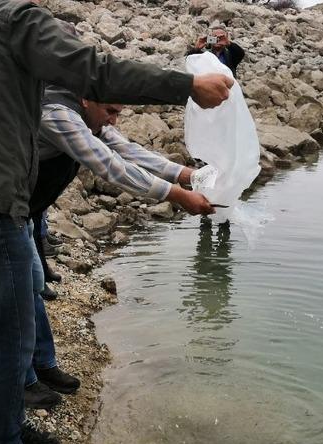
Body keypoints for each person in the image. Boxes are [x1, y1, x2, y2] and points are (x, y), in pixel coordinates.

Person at [0, 0, 233, 444]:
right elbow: (95, 71)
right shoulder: (15, 18)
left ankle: (2, 425)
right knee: (10, 337)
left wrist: (184, 175)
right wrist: (187, 86)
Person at [22, 84, 218, 412]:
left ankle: (43, 365)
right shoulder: (58, 116)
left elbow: (129, 151)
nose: (113, 120)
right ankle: (24, 381)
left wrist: (189, 175)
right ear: (86, 99)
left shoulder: (91, 120)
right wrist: (178, 195)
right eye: (110, 111)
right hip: (7, 213)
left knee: (34, 287)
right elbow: (111, 166)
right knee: (20, 294)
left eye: (118, 113)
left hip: (26, 212)